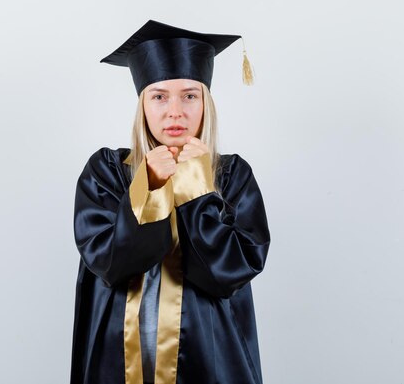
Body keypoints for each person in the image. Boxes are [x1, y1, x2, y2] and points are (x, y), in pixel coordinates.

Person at [70, 19, 271, 384]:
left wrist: (197, 191)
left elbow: (226, 275)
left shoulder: (232, 176)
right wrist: (149, 186)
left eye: (190, 96)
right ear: (142, 105)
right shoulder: (107, 172)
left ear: (206, 103)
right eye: (159, 96)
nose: (175, 111)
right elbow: (112, 265)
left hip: (210, 364)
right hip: (118, 364)